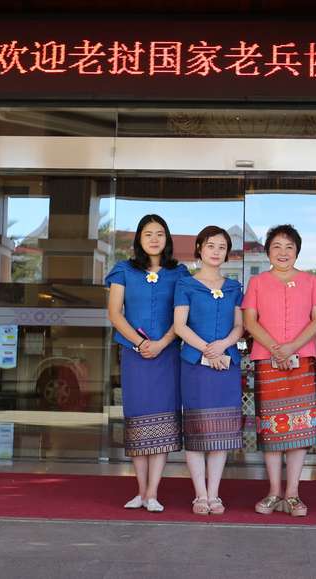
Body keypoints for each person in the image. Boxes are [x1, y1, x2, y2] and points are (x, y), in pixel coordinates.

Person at [242, 224, 316, 517]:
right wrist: (276, 348)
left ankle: (292, 494)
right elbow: (250, 322)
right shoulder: (257, 282)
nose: (283, 252)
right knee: (271, 427)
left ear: (297, 251)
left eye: (289, 247)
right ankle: (273, 492)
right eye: (276, 246)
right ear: (268, 252)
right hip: (267, 361)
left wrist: (291, 348)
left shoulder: (311, 281)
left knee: (299, 427)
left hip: (301, 361)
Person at [105, 214, 189, 513]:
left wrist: (162, 343)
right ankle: (140, 491)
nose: (154, 239)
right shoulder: (123, 270)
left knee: (162, 422)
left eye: (160, 233)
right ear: (139, 239)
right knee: (138, 421)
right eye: (148, 234)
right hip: (134, 356)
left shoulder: (179, 273)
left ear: (167, 239)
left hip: (167, 356)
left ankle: (153, 492)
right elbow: (115, 313)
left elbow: (183, 315)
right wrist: (140, 344)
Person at [173, 226, 245, 515]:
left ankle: (214, 495)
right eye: (211, 245)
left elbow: (239, 326)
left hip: (226, 365)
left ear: (227, 253)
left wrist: (224, 345)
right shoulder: (185, 284)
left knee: (221, 431)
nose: (216, 251)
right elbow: (180, 326)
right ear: (200, 248)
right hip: (195, 365)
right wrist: (207, 349)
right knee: (197, 429)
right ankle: (199, 495)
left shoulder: (234, 287)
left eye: (222, 247)